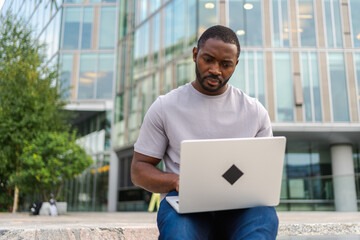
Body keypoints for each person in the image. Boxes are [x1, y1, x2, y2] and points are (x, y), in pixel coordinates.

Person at [131, 25, 278, 239]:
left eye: (225, 64)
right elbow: (139, 170)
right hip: (185, 202)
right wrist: (176, 181)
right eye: (208, 59)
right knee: (179, 234)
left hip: (241, 205)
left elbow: (264, 176)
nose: (216, 70)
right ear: (194, 54)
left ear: (235, 65)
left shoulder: (254, 111)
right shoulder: (166, 107)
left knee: (264, 221)